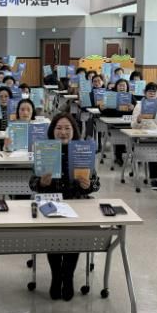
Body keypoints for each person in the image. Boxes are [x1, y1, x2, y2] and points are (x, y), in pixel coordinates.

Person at [29, 113, 99, 301]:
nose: (63, 132)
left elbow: (96, 184)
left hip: (77, 205)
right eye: (59, 128)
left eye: (67, 128)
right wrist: (41, 183)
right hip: (50, 204)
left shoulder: (82, 150)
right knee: (53, 239)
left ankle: (68, 276)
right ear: (52, 131)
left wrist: (88, 185)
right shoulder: (44, 150)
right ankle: (56, 276)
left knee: (73, 239)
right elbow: (32, 183)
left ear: (74, 131)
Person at [131, 82, 157, 187]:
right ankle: (154, 178)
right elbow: (133, 125)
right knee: (153, 149)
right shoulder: (139, 106)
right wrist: (138, 120)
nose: (152, 93)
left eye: (154, 91)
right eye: (149, 91)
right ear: (145, 93)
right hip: (145, 137)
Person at [99, 78, 135, 166]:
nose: (122, 87)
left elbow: (136, 111)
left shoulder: (130, 96)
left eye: (124, 85)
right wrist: (101, 108)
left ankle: (135, 156)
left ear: (127, 87)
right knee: (119, 133)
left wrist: (133, 108)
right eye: (120, 85)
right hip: (115, 124)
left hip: (128, 124)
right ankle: (118, 156)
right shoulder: (111, 96)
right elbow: (104, 111)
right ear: (116, 87)